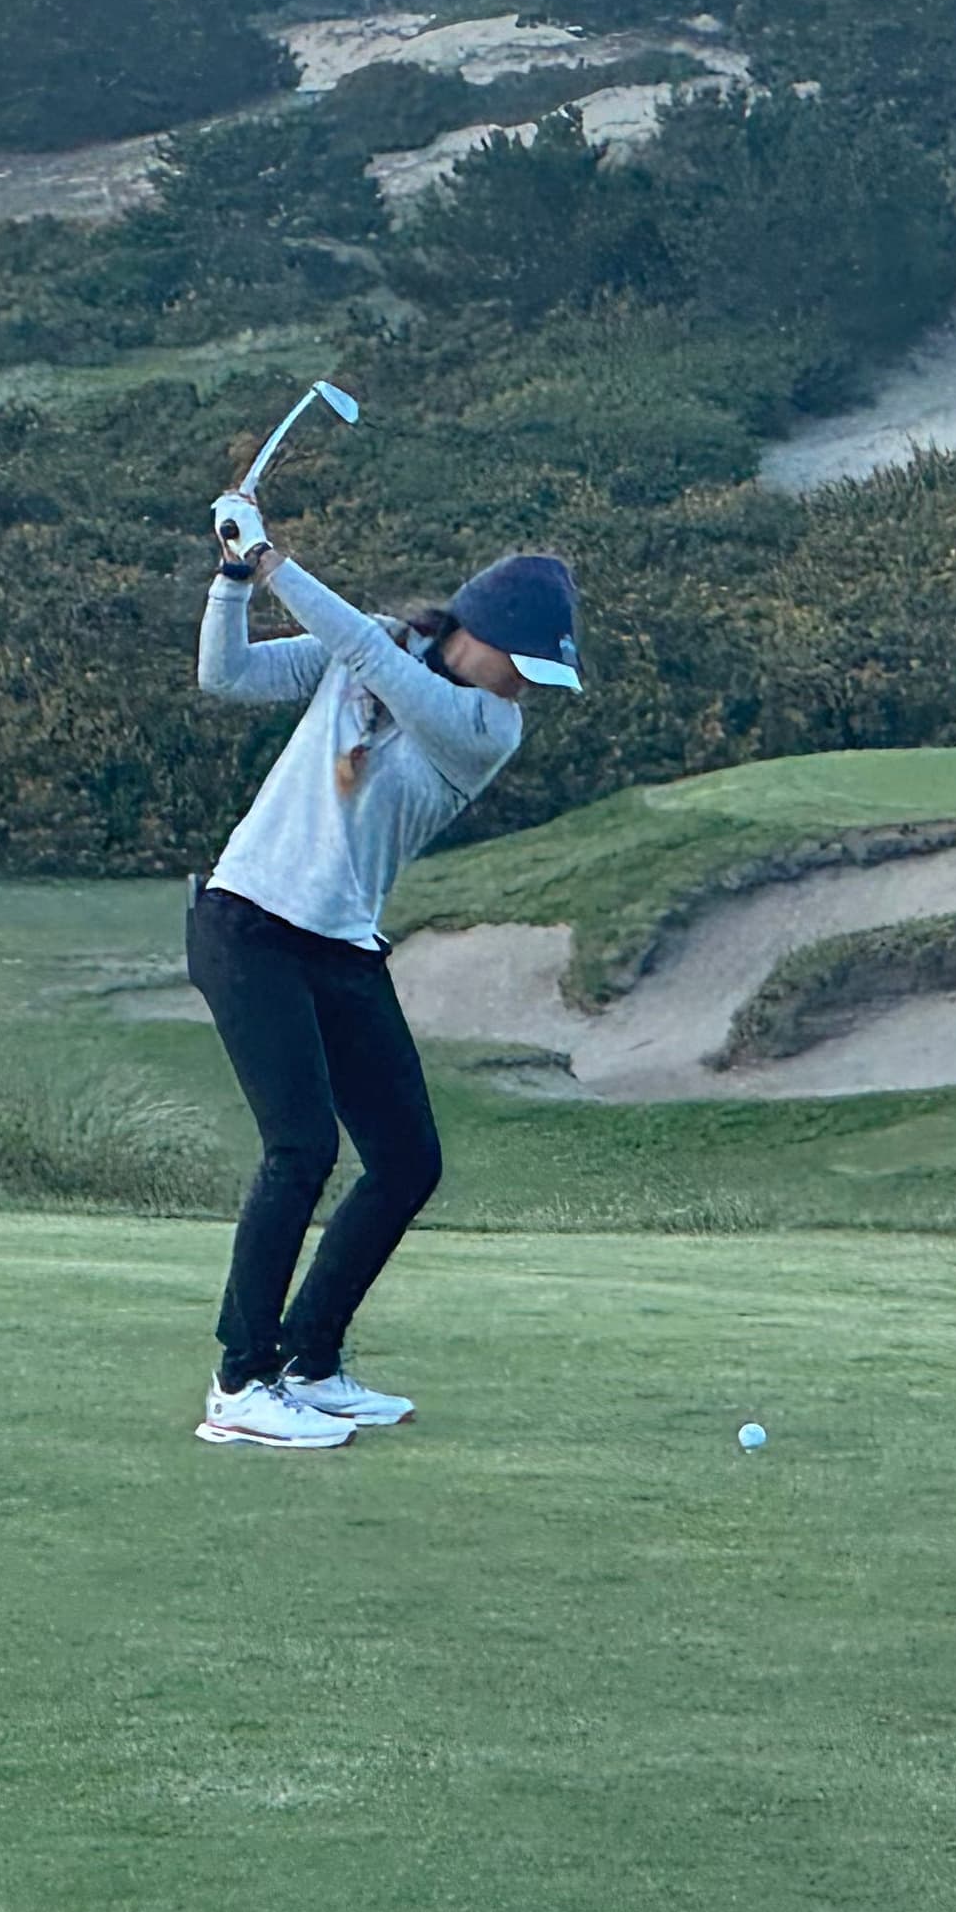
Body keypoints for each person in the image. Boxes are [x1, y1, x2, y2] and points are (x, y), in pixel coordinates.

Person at [183, 525, 583, 1450]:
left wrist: (278, 559)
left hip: (338, 943)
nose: (525, 685)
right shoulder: (373, 650)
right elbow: (227, 675)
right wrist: (236, 576)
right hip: (246, 921)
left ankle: (309, 1361)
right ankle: (240, 1382)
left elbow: (366, 654)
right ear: (476, 631)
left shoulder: (488, 727)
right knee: (302, 1147)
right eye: (520, 662)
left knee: (407, 1161)